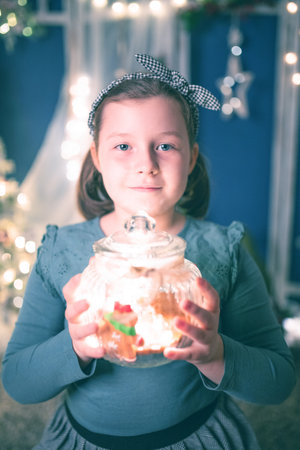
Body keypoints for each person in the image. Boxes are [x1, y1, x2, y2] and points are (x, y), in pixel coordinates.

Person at [2, 54, 296, 450]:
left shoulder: (224, 250)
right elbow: (17, 381)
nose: (146, 164)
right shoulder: (62, 251)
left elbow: (278, 381)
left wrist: (215, 353)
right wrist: (74, 346)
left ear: (191, 157)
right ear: (96, 158)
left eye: (165, 146)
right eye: (123, 145)